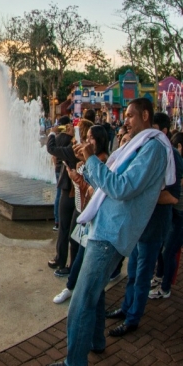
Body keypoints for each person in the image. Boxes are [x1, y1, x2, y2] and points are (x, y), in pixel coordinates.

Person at [48, 98, 175, 366]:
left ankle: (74, 362)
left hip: (110, 235)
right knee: (92, 297)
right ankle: (95, 343)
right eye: (125, 115)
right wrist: (86, 164)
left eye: (129, 115)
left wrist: (93, 160)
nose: (125, 121)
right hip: (103, 229)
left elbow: (121, 188)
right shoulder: (137, 147)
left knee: (80, 304)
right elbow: (108, 187)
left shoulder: (152, 149)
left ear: (145, 115)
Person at [105, 111, 182, 337]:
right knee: (133, 271)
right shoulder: (144, 149)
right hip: (139, 224)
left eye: (132, 116)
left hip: (154, 225)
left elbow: (173, 196)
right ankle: (127, 307)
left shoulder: (170, 156)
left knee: (142, 275)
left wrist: (142, 194)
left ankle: (133, 318)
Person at [53, 125, 109, 304]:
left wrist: (75, 176)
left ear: (99, 141)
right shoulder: (89, 157)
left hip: (91, 213)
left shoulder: (101, 160)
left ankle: (73, 287)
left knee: (84, 251)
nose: (87, 141)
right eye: (87, 137)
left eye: (91, 138)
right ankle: (72, 285)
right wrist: (76, 170)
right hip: (81, 207)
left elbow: (94, 188)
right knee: (75, 241)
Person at [150, 131, 183, 299]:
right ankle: (159, 277)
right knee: (163, 249)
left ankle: (165, 288)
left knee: (168, 251)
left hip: (180, 216)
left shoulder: (177, 162)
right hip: (173, 213)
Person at [46, 120, 81, 275]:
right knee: (72, 229)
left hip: (70, 189)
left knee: (67, 227)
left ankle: (64, 261)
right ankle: (71, 264)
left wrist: (53, 132)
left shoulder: (75, 149)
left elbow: (51, 148)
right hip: (78, 191)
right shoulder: (83, 148)